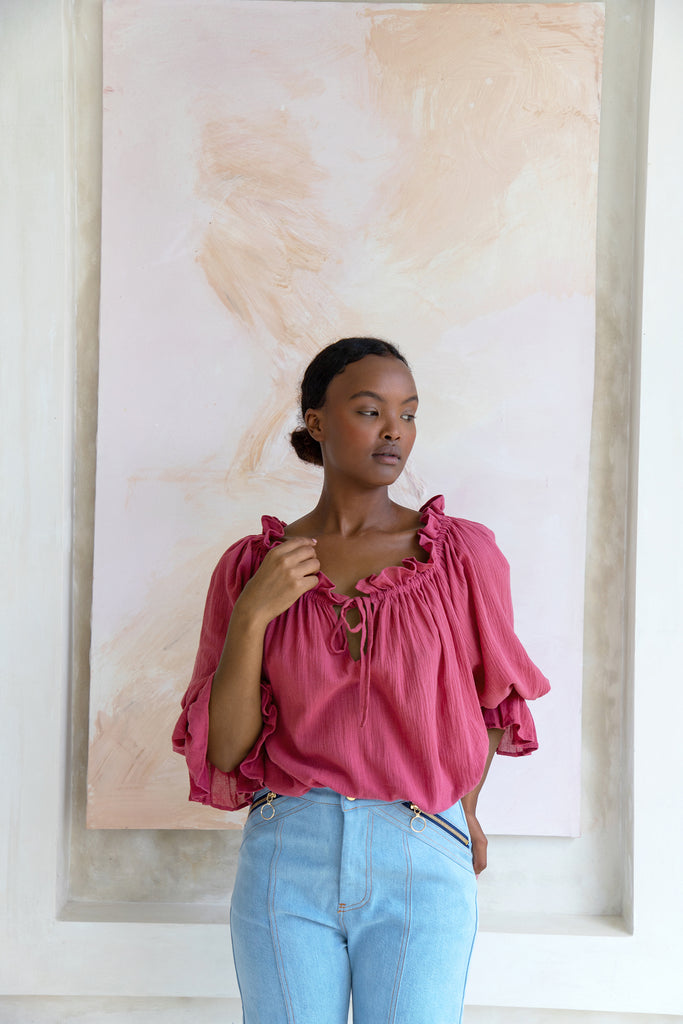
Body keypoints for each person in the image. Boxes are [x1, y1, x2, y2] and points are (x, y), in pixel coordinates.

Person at [173, 337, 549, 1024]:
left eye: (408, 414)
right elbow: (226, 754)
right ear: (316, 423)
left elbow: (490, 700)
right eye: (370, 410)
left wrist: (460, 812)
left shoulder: (459, 555)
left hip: (421, 855)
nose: (393, 432)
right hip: (288, 853)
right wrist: (254, 614)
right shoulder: (251, 567)